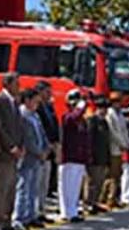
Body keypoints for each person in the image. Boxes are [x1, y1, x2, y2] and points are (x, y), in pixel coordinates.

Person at [0, 72, 25, 230]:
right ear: (7, 84)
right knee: (1, 188)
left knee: (11, 188)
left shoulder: (15, 103)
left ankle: (7, 220)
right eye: (16, 84)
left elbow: (19, 126)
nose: (19, 87)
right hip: (4, 153)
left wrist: (21, 145)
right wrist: (11, 146)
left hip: (15, 152)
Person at [15, 88, 49, 229]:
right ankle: (19, 217)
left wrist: (46, 148)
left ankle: (30, 215)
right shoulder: (22, 115)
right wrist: (38, 152)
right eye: (35, 102)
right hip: (28, 156)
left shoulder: (35, 116)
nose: (37, 105)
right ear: (28, 101)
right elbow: (27, 139)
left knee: (33, 188)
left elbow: (41, 133)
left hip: (38, 157)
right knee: (23, 187)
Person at [58, 89, 89, 222]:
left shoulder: (82, 120)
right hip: (69, 157)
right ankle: (66, 212)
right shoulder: (67, 117)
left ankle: (73, 211)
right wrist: (81, 107)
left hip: (79, 157)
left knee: (75, 187)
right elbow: (73, 118)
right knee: (67, 187)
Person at [35, 81, 59, 216]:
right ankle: (34, 211)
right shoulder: (37, 108)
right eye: (47, 91)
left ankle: (41, 210)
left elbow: (53, 127)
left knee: (44, 183)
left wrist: (55, 143)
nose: (49, 94)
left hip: (49, 150)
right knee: (36, 183)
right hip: (41, 149)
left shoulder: (49, 107)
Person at [85, 95, 110, 214]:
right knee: (92, 182)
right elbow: (89, 139)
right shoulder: (92, 120)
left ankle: (95, 202)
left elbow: (107, 141)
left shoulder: (104, 122)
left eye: (105, 108)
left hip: (103, 157)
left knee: (100, 182)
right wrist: (89, 155)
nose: (104, 110)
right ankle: (88, 203)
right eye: (102, 108)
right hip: (94, 156)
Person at [104, 92, 129, 209]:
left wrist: (126, 143)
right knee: (112, 175)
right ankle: (108, 198)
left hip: (121, 148)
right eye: (117, 102)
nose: (119, 104)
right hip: (113, 147)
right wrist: (122, 143)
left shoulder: (121, 115)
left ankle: (113, 198)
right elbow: (112, 132)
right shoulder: (110, 114)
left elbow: (124, 130)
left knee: (118, 174)